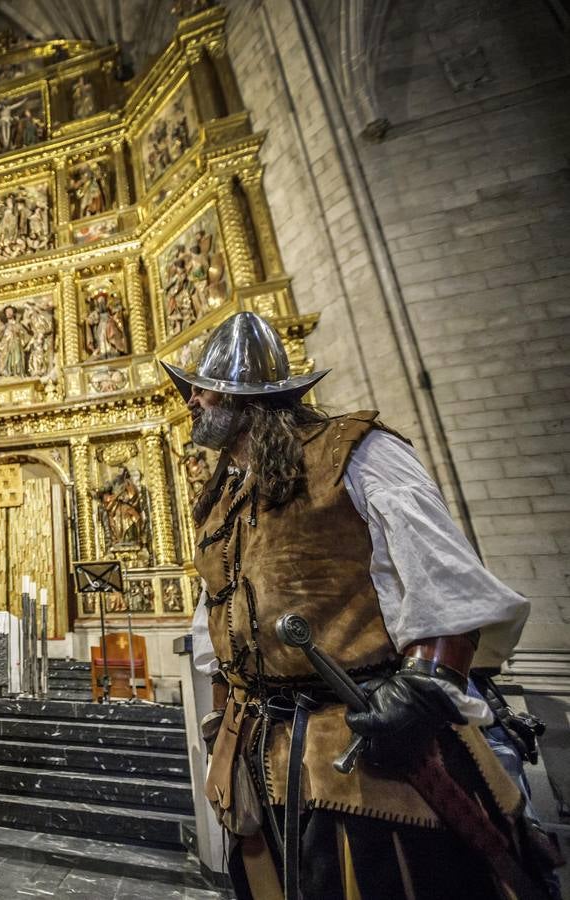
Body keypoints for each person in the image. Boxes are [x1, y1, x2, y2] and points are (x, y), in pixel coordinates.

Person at [163, 312, 540, 899]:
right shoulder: (223, 501)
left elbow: (443, 578)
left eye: (206, 388)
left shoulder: (353, 453)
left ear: (249, 397)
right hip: (261, 753)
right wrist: (222, 718)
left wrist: (423, 689)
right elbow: (220, 618)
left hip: (363, 746)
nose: (193, 400)